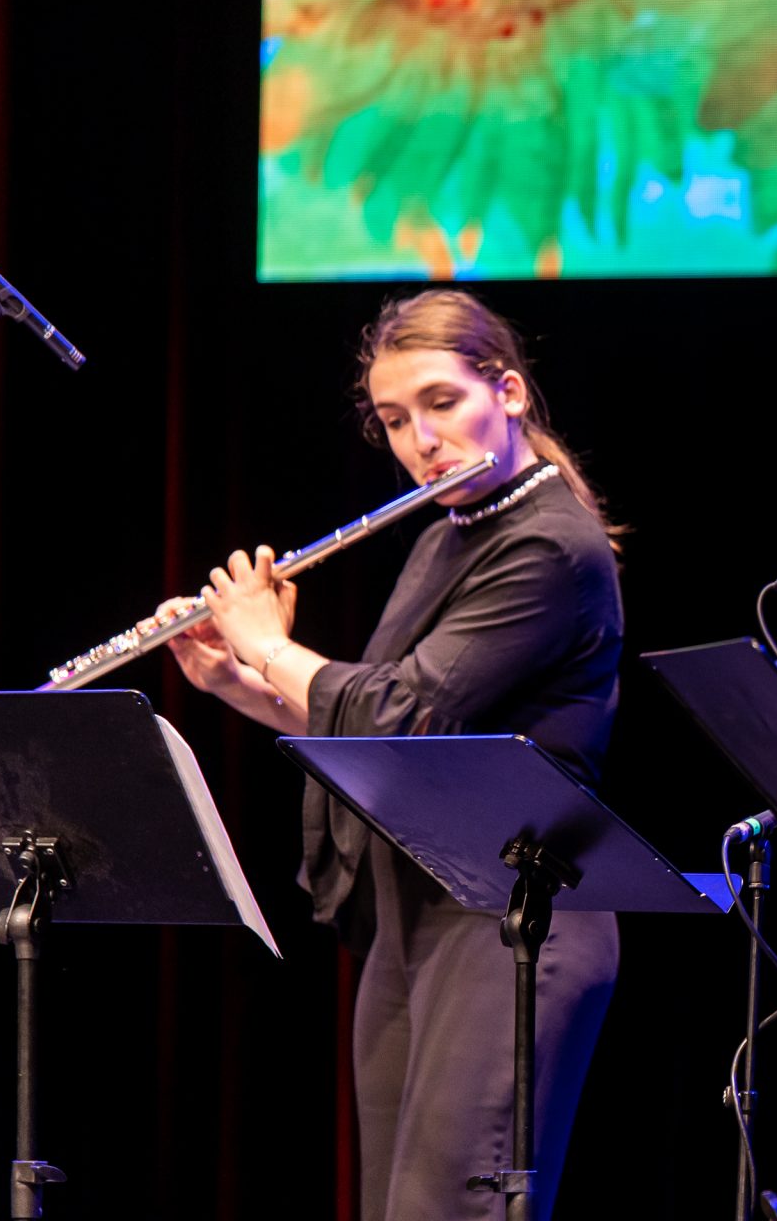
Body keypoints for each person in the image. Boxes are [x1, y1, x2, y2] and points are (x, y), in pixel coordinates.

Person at [160, 290, 624, 1221]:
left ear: (510, 392)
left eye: (442, 404)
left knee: (447, 1209)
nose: (421, 441)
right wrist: (231, 682)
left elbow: (403, 716)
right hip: (419, 911)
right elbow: (382, 735)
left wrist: (267, 643)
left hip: (515, 920)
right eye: (396, 420)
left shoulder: (550, 547)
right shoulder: (447, 538)